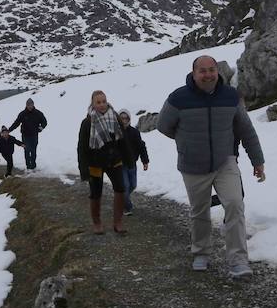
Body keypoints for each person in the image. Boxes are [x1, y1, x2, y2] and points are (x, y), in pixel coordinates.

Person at [156, 55, 265, 278]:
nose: (208, 75)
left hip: (225, 161)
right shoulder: (178, 98)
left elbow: (246, 130)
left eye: (211, 70)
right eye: (202, 71)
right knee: (200, 210)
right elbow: (163, 126)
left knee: (235, 204)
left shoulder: (230, 96)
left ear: (218, 71)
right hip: (192, 164)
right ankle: (201, 253)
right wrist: (186, 143)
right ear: (193, 73)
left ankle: (238, 260)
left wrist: (257, 161)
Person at [77, 90, 132, 235]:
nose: (102, 105)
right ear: (93, 104)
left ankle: (118, 222)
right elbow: (82, 148)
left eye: (104, 101)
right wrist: (84, 170)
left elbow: (123, 140)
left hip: (114, 160)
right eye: (98, 102)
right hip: (95, 162)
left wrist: (129, 159)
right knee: (96, 192)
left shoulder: (115, 117)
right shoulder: (88, 122)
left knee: (120, 188)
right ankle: (97, 222)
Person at [118, 109, 149, 216]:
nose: (124, 120)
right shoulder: (115, 132)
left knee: (133, 185)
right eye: (122, 118)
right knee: (125, 186)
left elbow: (141, 146)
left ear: (129, 119)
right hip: (120, 165)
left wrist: (145, 161)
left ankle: (122, 197)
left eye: (126, 118)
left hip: (132, 163)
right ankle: (127, 207)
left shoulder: (134, 132)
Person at [9, 98, 48, 172]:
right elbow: (16, 123)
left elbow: (44, 122)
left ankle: (33, 165)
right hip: (25, 135)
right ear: (26, 105)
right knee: (27, 150)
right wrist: (9, 130)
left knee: (33, 151)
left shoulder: (38, 113)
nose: (30, 106)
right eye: (28, 105)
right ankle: (28, 166)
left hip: (34, 135)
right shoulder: (22, 114)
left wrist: (41, 128)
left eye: (31, 105)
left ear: (33, 105)